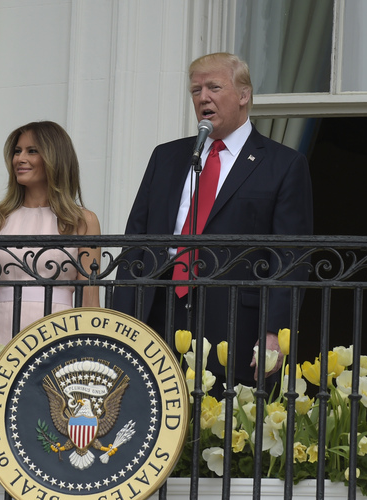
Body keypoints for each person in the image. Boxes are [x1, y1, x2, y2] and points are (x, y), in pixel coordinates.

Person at [113, 52, 313, 388]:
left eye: (214, 87)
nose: (203, 97)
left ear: (244, 95)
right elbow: (137, 241)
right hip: (160, 313)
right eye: (196, 90)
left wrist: (275, 332)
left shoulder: (283, 164)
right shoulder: (168, 157)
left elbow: (291, 256)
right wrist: (121, 321)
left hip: (234, 322)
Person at [0, 121, 101, 381]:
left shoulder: (83, 221)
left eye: (31, 151)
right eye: (17, 151)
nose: (20, 159)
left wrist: (87, 367)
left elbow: (89, 304)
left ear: (55, 158)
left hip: (59, 337)